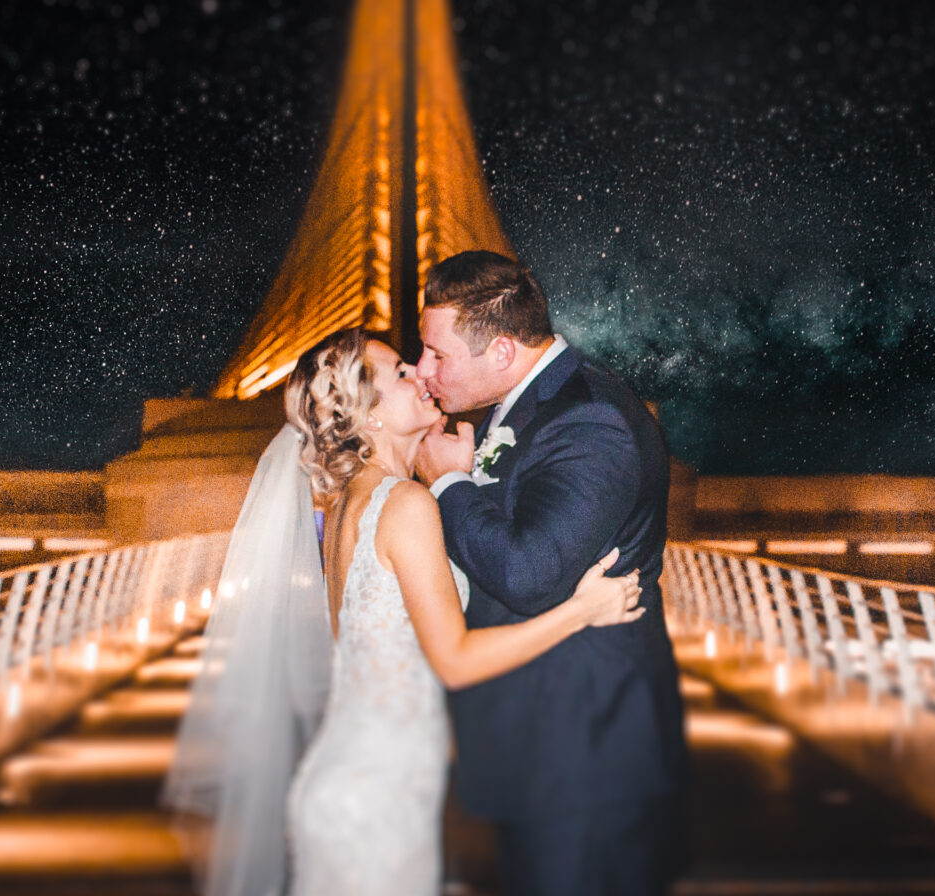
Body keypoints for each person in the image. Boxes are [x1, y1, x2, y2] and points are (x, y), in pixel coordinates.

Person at [163, 326, 644, 896]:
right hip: (377, 799)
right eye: (399, 373)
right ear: (369, 414)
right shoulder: (404, 505)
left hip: (358, 782)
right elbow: (456, 661)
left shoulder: (354, 503)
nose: (420, 372)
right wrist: (582, 610)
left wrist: (457, 478)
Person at [414, 250, 689, 896]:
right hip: (542, 747)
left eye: (438, 354)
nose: (425, 370)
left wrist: (450, 483)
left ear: (503, 352)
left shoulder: (588, 419)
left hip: (583, 755)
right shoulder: (531, 407)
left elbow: (530, 570)